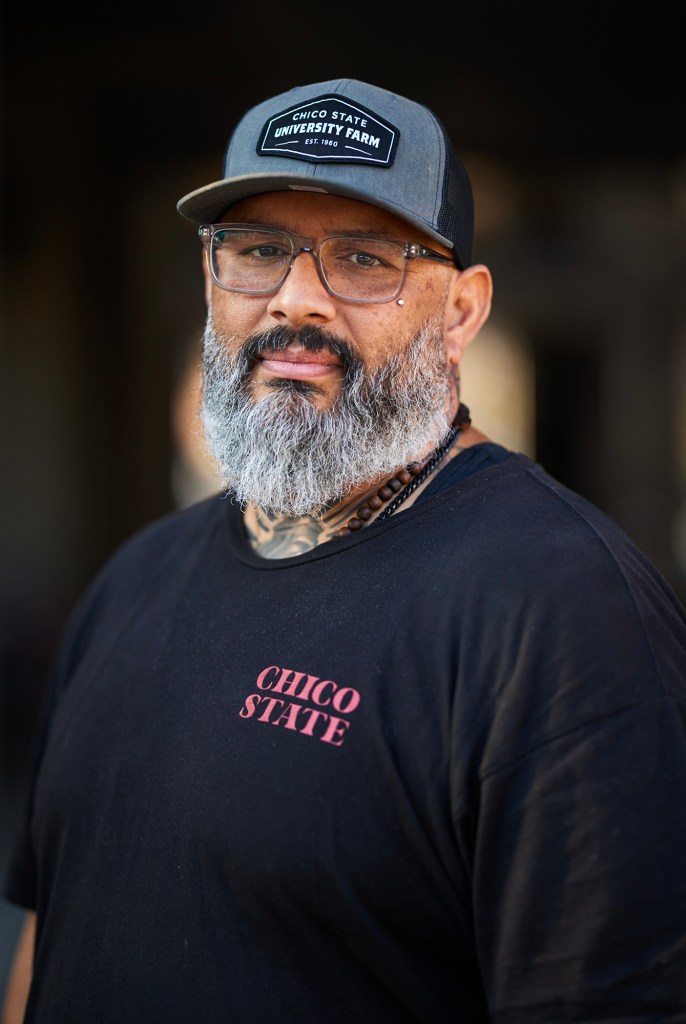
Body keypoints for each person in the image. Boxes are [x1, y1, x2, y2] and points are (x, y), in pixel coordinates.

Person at [2, 78, 686, 1024]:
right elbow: (50, 935)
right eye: (257, 251)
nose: (297, 300)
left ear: (461, 313)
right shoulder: (134, 580)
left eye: (363, 259)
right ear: (210, 278)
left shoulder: (563, 611)